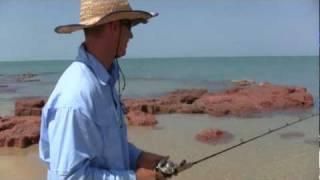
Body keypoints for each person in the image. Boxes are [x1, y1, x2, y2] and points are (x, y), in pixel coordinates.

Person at [39, 0, 168, 179]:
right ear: (114, 26)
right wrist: (135, 178)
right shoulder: (76, 97)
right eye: (129, 26)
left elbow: (106, 147)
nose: (131, 35)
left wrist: (139, 158)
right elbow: (68, 177)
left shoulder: (102, 82)